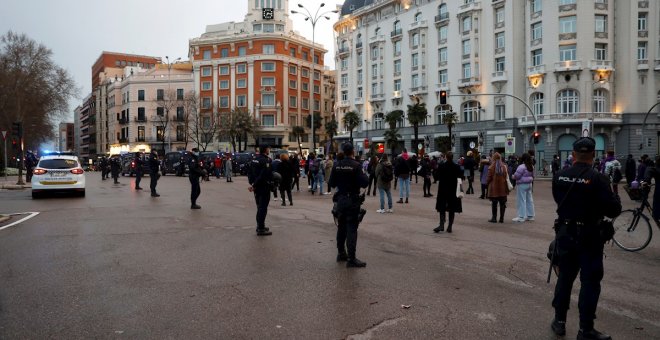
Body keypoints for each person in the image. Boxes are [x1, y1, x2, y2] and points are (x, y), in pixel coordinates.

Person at [550, 137, 621, 340]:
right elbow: (613, 209)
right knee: (589, 282)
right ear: (593, 155)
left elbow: (558, 200)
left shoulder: (560, 176)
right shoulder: (598, 179)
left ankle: (559, 321)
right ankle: (585, 329)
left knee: (564, 278)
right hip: (590, 236)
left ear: (573, 155)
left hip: (565, 233)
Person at [328, 142, 369, 267]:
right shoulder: (356, 165)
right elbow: (365, 183)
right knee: (351, 228)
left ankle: (341, 253)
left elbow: (332, 183)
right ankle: (351, 258)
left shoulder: (337, 165)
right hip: (352, 200)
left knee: (341, 227)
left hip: (340, 200)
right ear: (353, 152)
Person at [433, 152, 462, 233]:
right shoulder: (456, 166)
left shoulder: (442, 166)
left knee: (442, 207)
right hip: (453, 190)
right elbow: (460, 177)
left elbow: (436, 176)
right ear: (452, 157)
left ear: (446, 157)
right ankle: (450, 226)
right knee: (451, 208)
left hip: (443, 189)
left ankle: (442, 224)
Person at [249, 144, 274, 236]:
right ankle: (261, 229)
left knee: (259, 207)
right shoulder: (266, 160)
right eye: (269, 148)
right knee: (262, 208)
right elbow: (263, 175)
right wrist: (255, 184)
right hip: (263, 186)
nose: (269, 150)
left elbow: (250, 173)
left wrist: (252, 184)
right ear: (266, 149)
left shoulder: (254, 159)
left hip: (257, 187)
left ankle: (260, 225)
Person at [512, 153, 535, 222]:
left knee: (521, 200)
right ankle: (530, 216)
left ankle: (521, 216)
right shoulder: (531, 166)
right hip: (529, 184)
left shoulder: (521, 167)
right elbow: (533, 175)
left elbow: (517, 176)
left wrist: (513, 176)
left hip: (522, 184)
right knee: (529, 200)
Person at [487, 153, 510, 223]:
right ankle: (501, 218)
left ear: (493, 158)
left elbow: (489, 178)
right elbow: (506, 176)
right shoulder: (504, 166)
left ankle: (494, 218)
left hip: (494, 188)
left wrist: (487, 184)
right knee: (503, 204)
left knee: (494, 204)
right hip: (503, 188)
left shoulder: (491, 167)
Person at [643, 155, 660, 220]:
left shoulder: (655, 169)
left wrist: (645, 181)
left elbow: (650, 171)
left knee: (656, 214)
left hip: (658, 194)